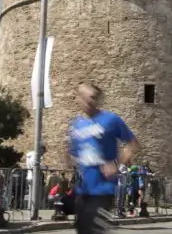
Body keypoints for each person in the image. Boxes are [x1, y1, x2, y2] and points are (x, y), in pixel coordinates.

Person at [67, 82, 140, 234]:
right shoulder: (76, 125)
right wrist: (67, 158)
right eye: (83, 96)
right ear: (78, 99)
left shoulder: (111, 119)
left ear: (97, 99)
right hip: (84, 190)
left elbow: (133, 145)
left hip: (103, 189)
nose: (88, 100)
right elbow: (72, 155)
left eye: (92, 97)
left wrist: (116, 163)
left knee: (92, 229)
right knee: (82, 230)